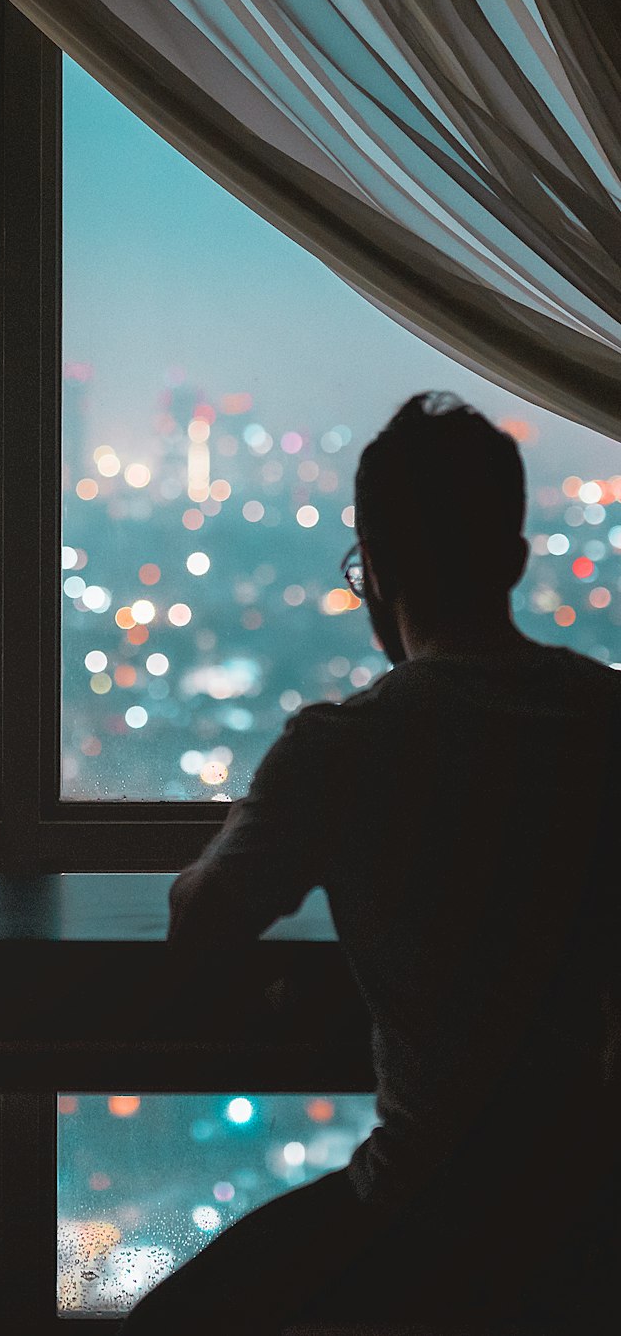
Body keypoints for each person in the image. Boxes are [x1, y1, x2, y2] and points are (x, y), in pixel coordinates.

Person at [122, 392, 620, 1333]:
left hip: (431, 1218)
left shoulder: (348, 749)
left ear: (377, 573)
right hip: (596, 1228)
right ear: (512, 562)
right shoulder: (606, 719)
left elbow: (203, 923)